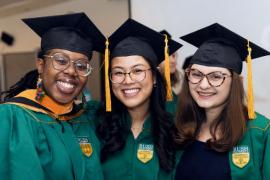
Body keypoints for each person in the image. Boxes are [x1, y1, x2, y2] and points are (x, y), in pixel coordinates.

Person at [0, 12, 105, 180]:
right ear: (41, 65)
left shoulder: (86, 119)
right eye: (61, 61)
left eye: (81, 65)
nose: (71, 71)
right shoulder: (14, 118)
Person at [174, 23, 270, 180]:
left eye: (216, 76)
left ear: (236, 82)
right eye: (196, 74)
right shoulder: (180, 127)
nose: (203, 85)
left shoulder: (261, 132)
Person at [96, 19, 182, 179]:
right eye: (118, 72)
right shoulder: (96, 125)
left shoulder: (177, 128)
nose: (128, 80)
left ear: (155, 77)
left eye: (137, 70)